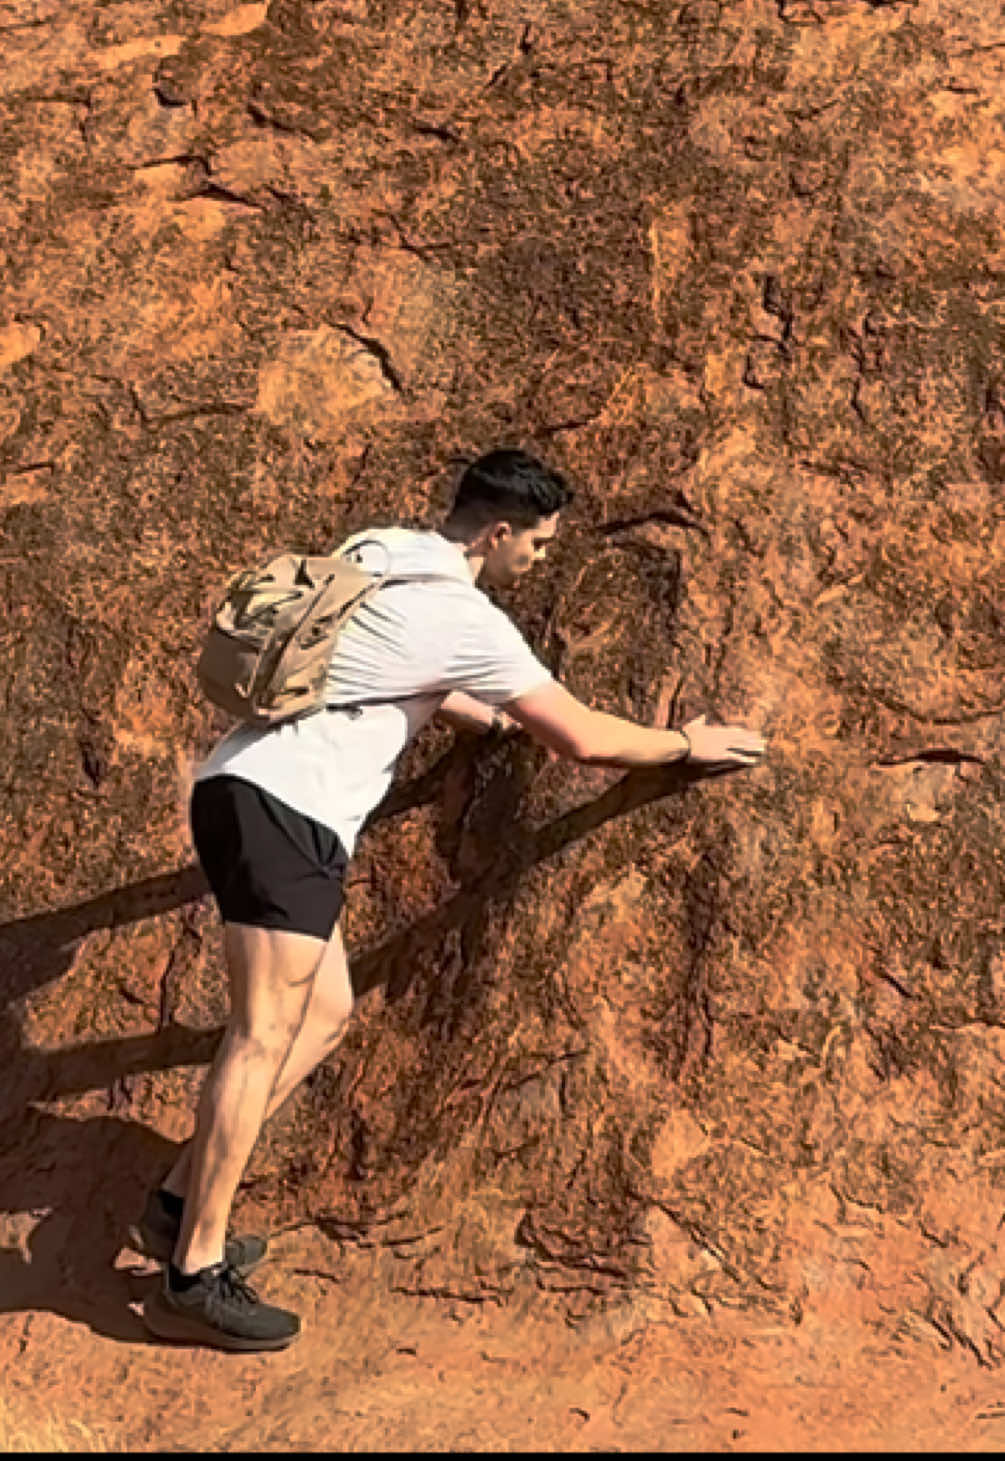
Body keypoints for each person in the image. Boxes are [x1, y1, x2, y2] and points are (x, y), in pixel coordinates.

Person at [138, 447, 766, 1351]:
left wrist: (490, 717)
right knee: (260, 1032)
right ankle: (193, 1273)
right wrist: (681, 743)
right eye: (539, 545)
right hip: (291, 807)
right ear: (498, 532)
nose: (540, 561)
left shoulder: (380, 548)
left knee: (324, 1014)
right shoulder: (467, 618)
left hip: (241, 783)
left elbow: (386, 670)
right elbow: (582, 739)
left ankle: (178, 1198)